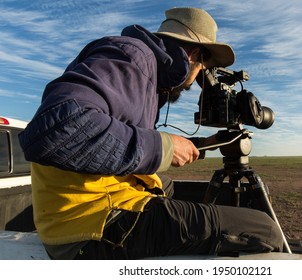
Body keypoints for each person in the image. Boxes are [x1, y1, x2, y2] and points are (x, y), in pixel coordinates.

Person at [19, 7, 283, 259]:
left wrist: (203, 144)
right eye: (205, 64)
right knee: (264, 229)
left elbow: (117, 138)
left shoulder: (145, 74)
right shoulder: (131, 56)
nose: (202, 75)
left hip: (77, 211)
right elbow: (55, 130)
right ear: (194, 55)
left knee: (165, 186)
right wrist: (164, 147)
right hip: (85, 226)